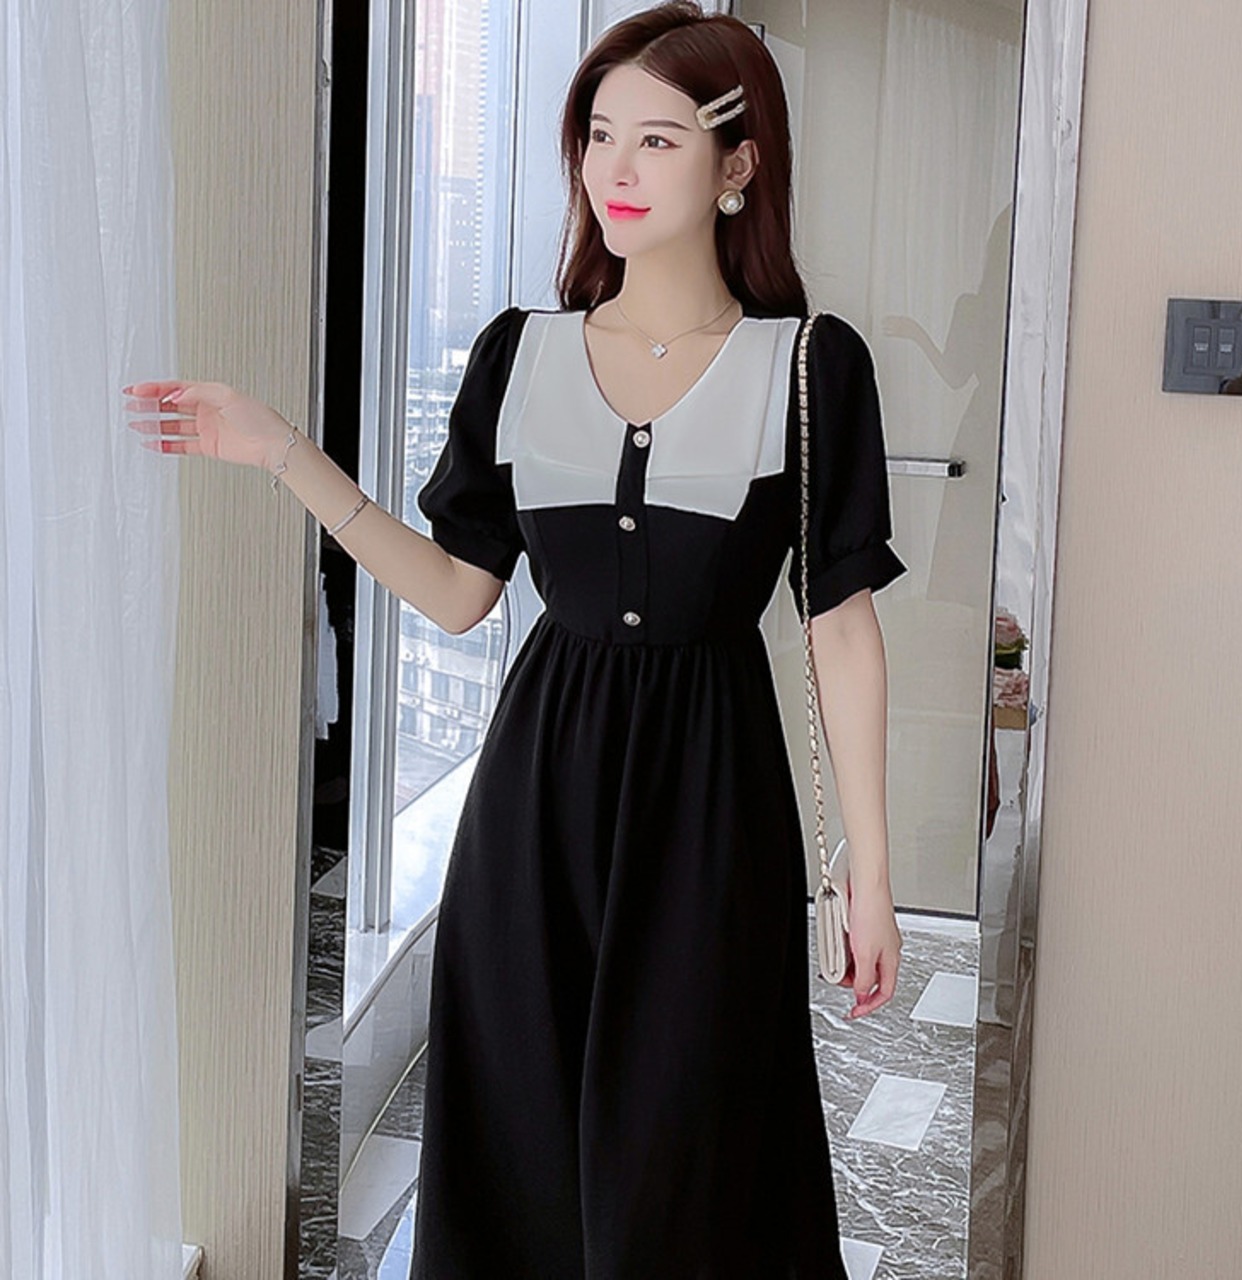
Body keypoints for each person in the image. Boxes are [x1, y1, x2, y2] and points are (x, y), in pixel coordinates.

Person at [124, 2, 908, 1273]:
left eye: (656, 139)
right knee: (521, 1144)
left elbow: (841, 625)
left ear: (739, 161)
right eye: (597, 134)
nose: (614, 168)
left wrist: (867, 871)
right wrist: (283, 454)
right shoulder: (517, 355)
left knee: (685, 1148)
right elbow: (458, 592)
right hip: (532, 801)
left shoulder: (809, 368)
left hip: (712, 806)